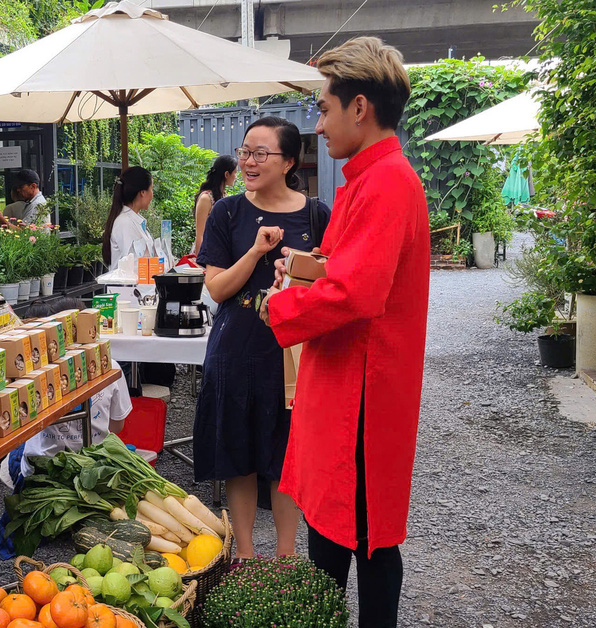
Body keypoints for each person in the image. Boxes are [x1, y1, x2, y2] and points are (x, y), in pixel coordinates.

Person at [262, 37, 428, 628]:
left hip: (363, 385)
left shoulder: (386, 182)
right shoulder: (370, 177)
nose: (319, 124)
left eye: (325, 109)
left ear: (360, 108)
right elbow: (348, 269)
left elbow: (359, 291)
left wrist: (280, 310)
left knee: (361, 537)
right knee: (341, 529)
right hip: (350, 380)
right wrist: (304, 271)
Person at [194, 116, 331, 561]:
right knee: (239, 453)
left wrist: (299, 265)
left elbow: (331, 283)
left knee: (287, 456)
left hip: (294, 358)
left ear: (289, 161)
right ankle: (248, 557)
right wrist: (255, 251)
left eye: (261, 154)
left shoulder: (316, 214)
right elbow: (216, 289)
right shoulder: (227, 212)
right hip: (235, 351)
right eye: (245, 152)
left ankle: (287, 557)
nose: (249, 162)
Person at [0, 297, 132, 486]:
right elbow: (117, 426)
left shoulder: (34, 373)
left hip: (42, 468)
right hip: (94, 465)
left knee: (18, 450)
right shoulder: (110, 366)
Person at [101, 167, 156, 271]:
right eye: (151, 189)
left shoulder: (134, 220)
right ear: (143, 192)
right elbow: (135, 263)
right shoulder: (125, 223)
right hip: (130, 286)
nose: (152, 195)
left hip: (140, 285)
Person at [191, 155, 239, 255]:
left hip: (220, 252)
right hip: (207, 254)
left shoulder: (224, 197)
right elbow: (200, 234)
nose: (236, 176)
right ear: (227, 174)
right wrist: (199, 261)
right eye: (235, 172)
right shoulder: (206, 198)